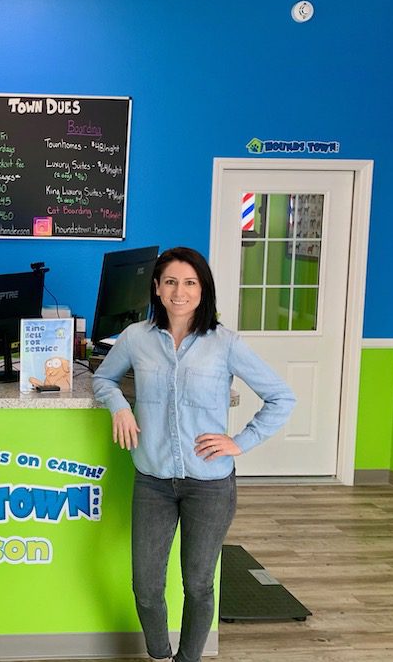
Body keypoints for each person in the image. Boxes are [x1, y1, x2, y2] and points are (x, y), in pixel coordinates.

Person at [92, 246, 295, 662]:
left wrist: (242, 440)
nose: (179, 292)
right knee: (146, 586)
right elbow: (103, 379)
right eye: (170, 282)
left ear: (203, 290)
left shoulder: (225, 343)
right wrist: (120, 407)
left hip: (210, 484)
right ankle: (160, 655)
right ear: (157, 288)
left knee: (199, 583)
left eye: (189, 282)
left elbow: (281, 397)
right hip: (153, 480)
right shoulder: (136, 338)